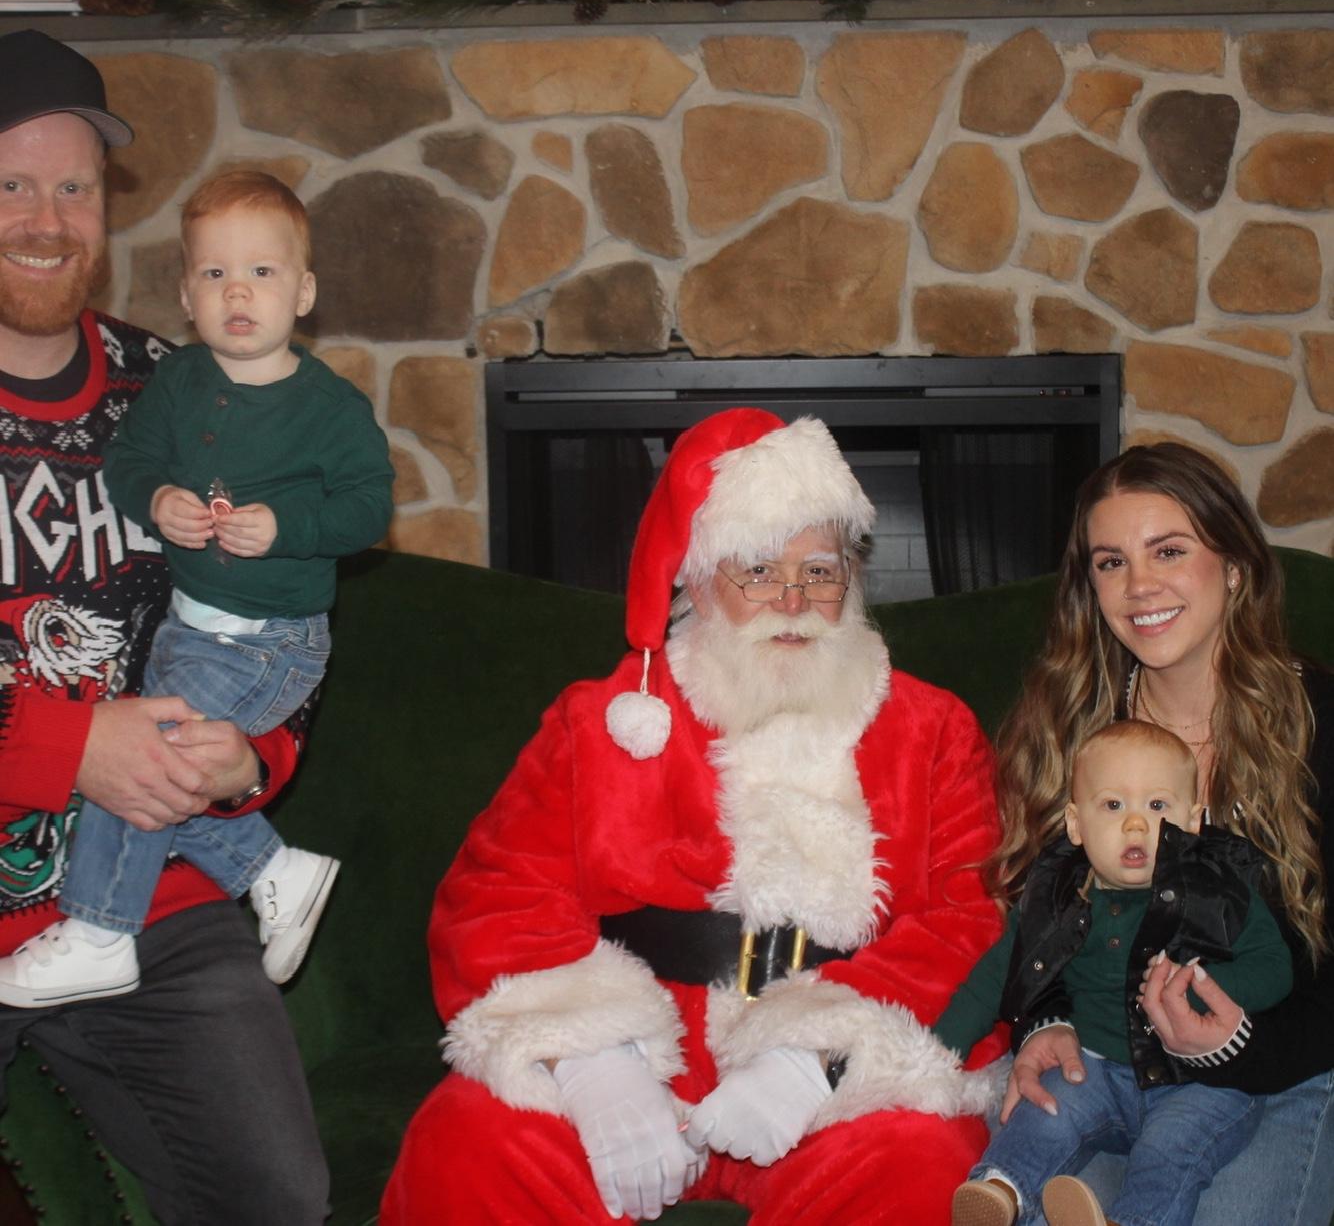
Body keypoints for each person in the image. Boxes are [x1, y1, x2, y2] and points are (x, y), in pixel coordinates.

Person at [381, 407, 1008, 1224]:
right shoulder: (604, 719)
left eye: (818, 572)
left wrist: (815, 1058)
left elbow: (973, 916)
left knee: (921, 1167)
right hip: (643, 1055)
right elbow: (499, 893)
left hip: (832, 1075)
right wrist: (595, 1067)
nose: (791, 598)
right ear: (699, 580)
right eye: (755, 569)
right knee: (467, 1144)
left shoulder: (932, 729)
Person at [0, 28, 330, 1223]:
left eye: (74, 186)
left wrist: (251, 760)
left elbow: (279, 607)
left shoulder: (187, 393)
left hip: (151, 888)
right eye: (13, 183)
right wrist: (67, 746)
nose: (47, 218)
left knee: (277, 1197)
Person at [0, 169, 393, 1007]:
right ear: (187, 293)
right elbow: (130, 460)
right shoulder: (175, 381)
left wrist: (288, 530)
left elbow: (370, 511)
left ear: (304, 291)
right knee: (159, 757)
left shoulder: (329, 407)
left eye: (262, 273)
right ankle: (276, 870)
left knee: (149, 752)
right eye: (215, 274)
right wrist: (158, 499)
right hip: (188, 623)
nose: (238, 292)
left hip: (271, 637)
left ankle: (104, 931)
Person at [990, 442, 1334, 1226]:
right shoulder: (1071, 725)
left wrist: (1241, 1047)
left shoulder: (1320, 723)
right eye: (1111, 562)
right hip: (1111, 1065)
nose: (1140, 585)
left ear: (1235, 567)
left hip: (1295, 1066)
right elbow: (1035, 921)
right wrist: (1042, 1024)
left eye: (1169, 551)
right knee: (1025, 1187)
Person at [941, 719, 1290, 1226]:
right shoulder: (1058, 897)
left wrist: (1202, 990)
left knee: (1174, 1150)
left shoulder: (1218, 892)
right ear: (1075, 824)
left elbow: (1274, 967)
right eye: (1112, 805)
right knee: (1047, 1107)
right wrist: (934, 1052)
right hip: (1095, 1067)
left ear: (1192, 822)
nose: (1135, 825)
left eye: (1157, 806)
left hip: (1200, 1080)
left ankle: (1133, 1221)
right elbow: (997, 976)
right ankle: (1000, 1189)